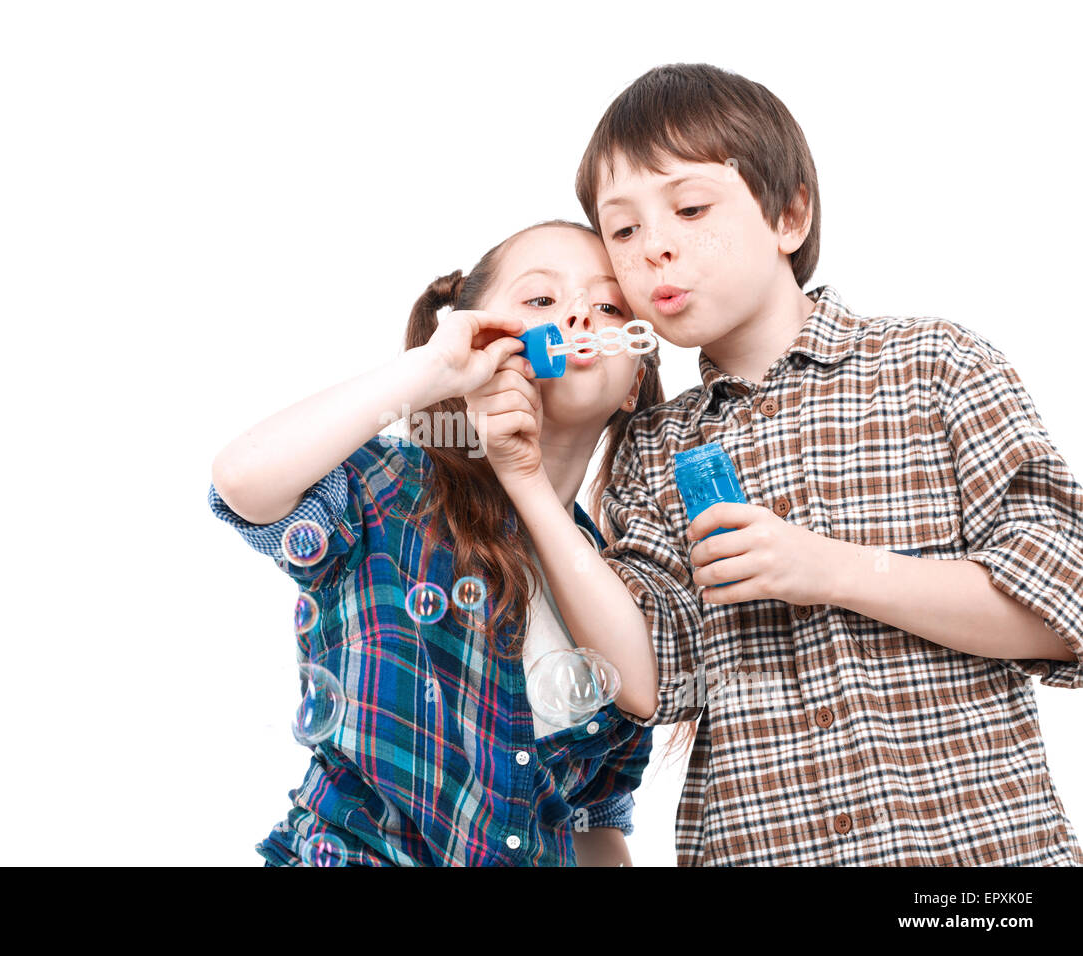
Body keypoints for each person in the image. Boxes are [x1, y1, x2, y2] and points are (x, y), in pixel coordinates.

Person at [481, 62, 1083, 866]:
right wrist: (529, 487)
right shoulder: (654, 449)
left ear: (789, 214)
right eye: (622, 230)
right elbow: (652, 679)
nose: (654, 245)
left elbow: (1065, 601)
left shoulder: (935, 366)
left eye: (690, 208)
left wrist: (825, 568)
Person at [206, 219, 665, 865]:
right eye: (541, 300)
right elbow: (243, 480)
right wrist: (435, 370)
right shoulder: (391, 489)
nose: (579, 316)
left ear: (637, 381)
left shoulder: (623, 591)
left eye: (610, 305)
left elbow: (593, 822)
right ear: (477, 337)